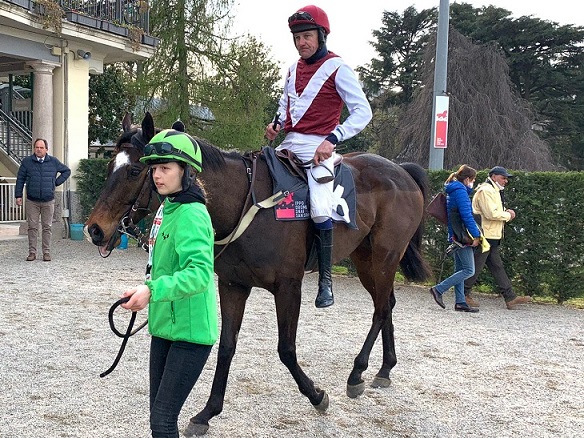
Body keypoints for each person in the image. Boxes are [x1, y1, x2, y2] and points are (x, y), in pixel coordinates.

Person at [264, 5, 373, 308]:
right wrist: (277, 125)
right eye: (298, 37)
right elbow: (286, 110)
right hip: (289, 144)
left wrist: (333, 138)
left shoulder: (338, 67)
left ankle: (325, 281)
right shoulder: (291, 70)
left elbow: (363, 112)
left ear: (322, 35)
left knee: (320, 206)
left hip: (319, 148)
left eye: (307, 36)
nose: (302, 42)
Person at [120, 129, 218, 437]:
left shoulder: (192, 214)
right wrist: (144, 289)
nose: (157, 175)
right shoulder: (167, 207)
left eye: (166, 168)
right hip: (164, 328)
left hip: (190, 334)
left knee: (162, 420)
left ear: (185, 172)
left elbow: (200, 273)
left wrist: (152, 290)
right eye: (154, 168)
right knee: (158, 418)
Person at [464, 166, 532, 310]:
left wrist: (504, 213)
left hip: (491, 234)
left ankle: (510, 297)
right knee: (477, 265)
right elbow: (491, 214)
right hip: (485, 235)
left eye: (506, 178)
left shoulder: (492, 190)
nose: (506, 181)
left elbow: (493, 212)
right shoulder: (486, 190)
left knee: (495, 266)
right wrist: (509, 215)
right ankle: (463, 293)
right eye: (503, 177)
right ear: (493, 177)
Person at [430, 165, 481, 313]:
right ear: (466, 179)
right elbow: (466, 216)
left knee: (460, 269)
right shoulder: (460, 192)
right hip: (462, 236)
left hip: (455, 234)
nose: (473, 183)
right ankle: (438, 289)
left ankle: (460, 302)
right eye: (472, 180)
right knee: (469, 270)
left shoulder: (455, 189)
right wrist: (476, 235)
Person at [15, 138, 71, 262]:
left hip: (48, 200)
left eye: (41, 148)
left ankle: (46, 252)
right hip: (32, 201)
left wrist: (55, 183)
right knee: (32, 227)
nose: (39, 150)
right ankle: (32, 252)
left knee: (47, 227)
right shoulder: (27, 162)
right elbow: (20, 179)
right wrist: (18, 195)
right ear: (34, 149)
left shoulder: (53, 162)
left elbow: (66, 171)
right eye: (37, 147)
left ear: (46, 149)